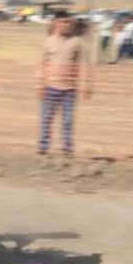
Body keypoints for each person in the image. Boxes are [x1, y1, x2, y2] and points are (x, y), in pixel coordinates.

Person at [36, 11, 91, 156]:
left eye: (69, 22)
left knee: (67, 121)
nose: (67, 25)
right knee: (46, 119)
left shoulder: (77, 43)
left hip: (70, 89)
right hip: (50, 87)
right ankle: (42, 148)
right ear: (56, 23)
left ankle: (66, 150)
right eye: (64, 22)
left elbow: (84, 64)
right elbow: (42, 65)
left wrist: (86, 84)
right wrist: (39, 85)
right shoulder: (48, 42)